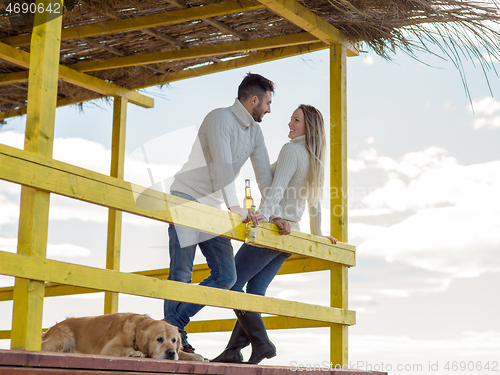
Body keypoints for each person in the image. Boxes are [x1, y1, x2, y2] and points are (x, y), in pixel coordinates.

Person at [211, 104, 338, 364]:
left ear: (308, 126)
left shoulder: (291, 150)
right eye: (291, 119)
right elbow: (313, 202)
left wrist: (263, 215)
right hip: (292, 236)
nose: (289, 124)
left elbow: (276, 189)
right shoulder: (313, 157)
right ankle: (235, 350)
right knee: (255, 290)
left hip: (274, 230)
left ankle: (262, 343)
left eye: (296, 120)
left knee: (233, 282)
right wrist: (317, 233)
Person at [164, 73, 274, 353]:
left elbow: (264, 177)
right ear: (254, 100)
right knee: (181, 272)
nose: (269, 109)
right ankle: (174, 337)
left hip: (212, 207)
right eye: (268, 103)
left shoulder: (255, 132)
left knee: (227, 276)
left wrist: (268, 211)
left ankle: (172, 324)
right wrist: (234, 205)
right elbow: (222, 165)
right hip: (186, 197)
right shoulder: (219, 118)